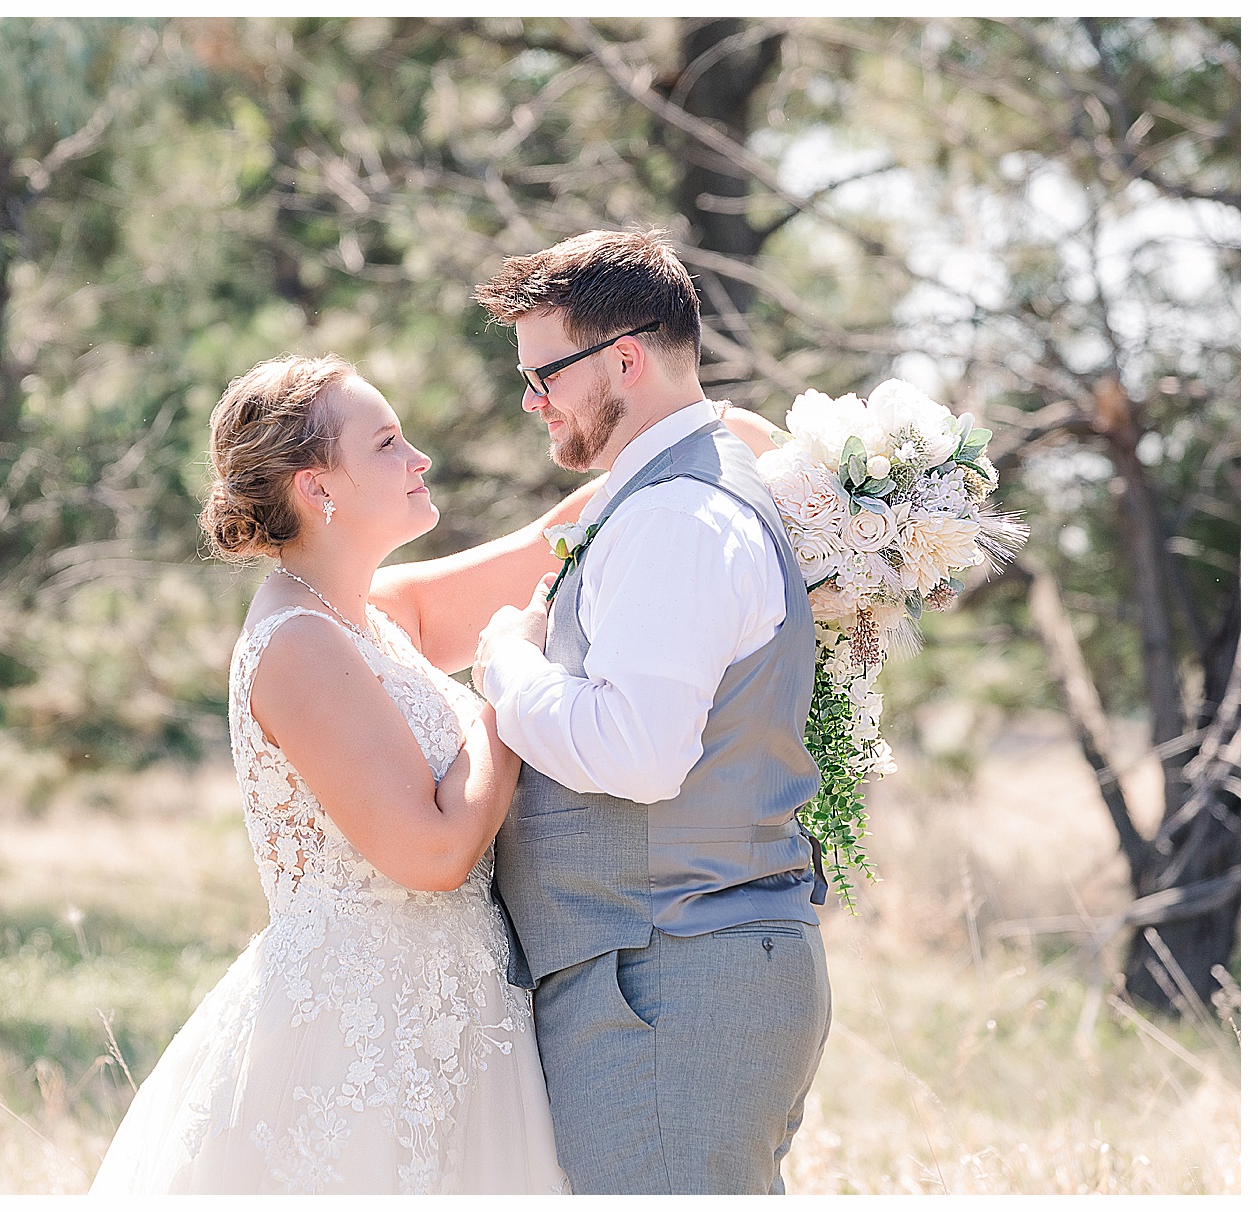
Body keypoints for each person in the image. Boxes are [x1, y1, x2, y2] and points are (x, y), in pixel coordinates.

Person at [88, 353, 582, 1194]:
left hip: (453, 1019)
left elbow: (550, 546)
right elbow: (431, 855)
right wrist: (509, 677)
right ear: (319, 488)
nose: (418, 457)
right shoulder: (298, 644)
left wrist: (719, 442)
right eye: (388, 443)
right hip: (363, 1040)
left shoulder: (369, 617)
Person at [467, 227, 834, 1195]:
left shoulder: (676, 517)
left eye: (544, 375)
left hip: (671, 975)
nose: (532, 401)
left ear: (623, 358)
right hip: (667, 968)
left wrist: (504, 663)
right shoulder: (672, 496)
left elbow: (638, 756)